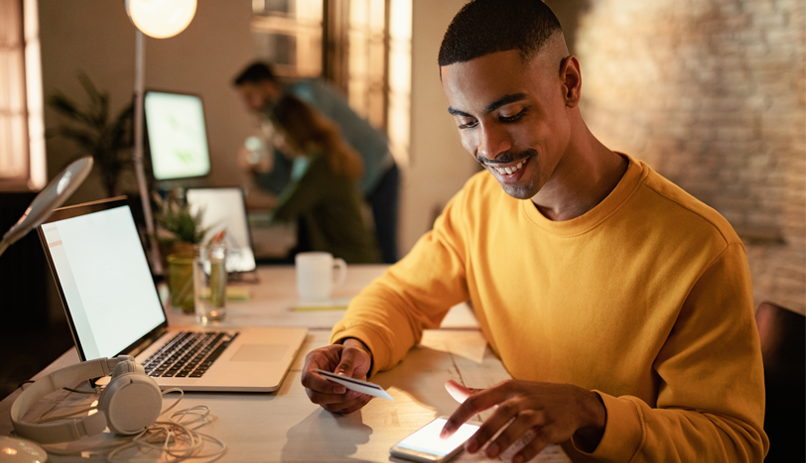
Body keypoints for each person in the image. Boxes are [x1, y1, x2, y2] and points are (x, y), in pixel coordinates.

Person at [300, 1, 768, 462]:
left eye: (510, 116)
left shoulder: (701, 247)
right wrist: (354, 349)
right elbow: (402, 295)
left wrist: (592, 412)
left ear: (569, 83)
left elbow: (733, 443)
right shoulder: (479, 206)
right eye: (466, 122)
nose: (489, 148)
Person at [233, 63, 400, 264]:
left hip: (379, 167)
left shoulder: (305, 99)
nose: (248, 106)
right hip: (353, 172)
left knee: (384, 248)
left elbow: (301, 179)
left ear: (268, 87)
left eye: (250, 97)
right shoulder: (284, 120)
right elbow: (287, 184)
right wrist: (257, 174)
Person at [265, 94, 380, 264]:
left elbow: (282, 212)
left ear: (292, 130)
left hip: (349, 261)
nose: (277, 143)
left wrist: (259, 176)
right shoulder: (324, 155)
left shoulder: (319, 164)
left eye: (278, 134)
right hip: (353, 256)